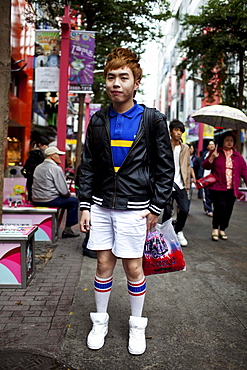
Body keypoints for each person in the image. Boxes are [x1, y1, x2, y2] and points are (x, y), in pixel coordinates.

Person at [78, 47, 174, 355]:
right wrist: (84, 204)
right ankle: (100, 322)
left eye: (123, 77)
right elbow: (88, 165)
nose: (116, 83)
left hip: (136, 208)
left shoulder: (152, 120)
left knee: (134, 268)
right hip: (101, 205)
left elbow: (164, 167)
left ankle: (136, 325)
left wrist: (156, 207)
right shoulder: (97, 121)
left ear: (136, 82)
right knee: (104, 263)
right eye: (111, 77)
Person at [202, 131, 247, 241]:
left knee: (228, 209)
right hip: (218, 186)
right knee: (219, 207)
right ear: (222, 141)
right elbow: (205, 166)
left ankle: (223, 228)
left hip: (232, 188)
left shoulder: (237, 156)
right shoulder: (216, 152)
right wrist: (212, 158)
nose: (229, 142)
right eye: (227, 140)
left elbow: (244, 171)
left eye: (231, 140)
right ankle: (215, 228)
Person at [32, 146, 79, 238]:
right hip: (49, 199)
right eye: (58, 155)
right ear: (53, 156)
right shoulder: (55, 168)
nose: (60, 157)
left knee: (69, 200)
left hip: (36, 199)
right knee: (74, 201)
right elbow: (64, 191)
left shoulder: (38, 167)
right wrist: (69, 194)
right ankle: (68, 229)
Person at [162, 119, 190, 247]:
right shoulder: (165, 146)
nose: (178, 133)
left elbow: (187, 166)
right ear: (171, 132)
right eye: (176, 130)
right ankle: (166, 235)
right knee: (167, 211)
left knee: (184, 209)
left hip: (181, 184)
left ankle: (178, 231)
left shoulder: (185, 148)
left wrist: (188, 184)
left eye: (180, 131)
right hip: (168, 183)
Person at [21, 136, 49, 202]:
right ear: (40, 144)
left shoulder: (38, 153)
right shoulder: (36, 153)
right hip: (34, 178)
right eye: (45, 145)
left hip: (33, 177)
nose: (46, 147)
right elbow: (30, 166)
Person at [199, 140, 216, 217]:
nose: (212, 146)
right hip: (206, 177)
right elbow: (201, 165)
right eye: (210, 145)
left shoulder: (218, 154)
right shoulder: (205, 155)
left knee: (214, 195)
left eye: (213, 144)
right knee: (206, 194)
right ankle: (209, 209)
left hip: (214, 177)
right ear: (207, 146)